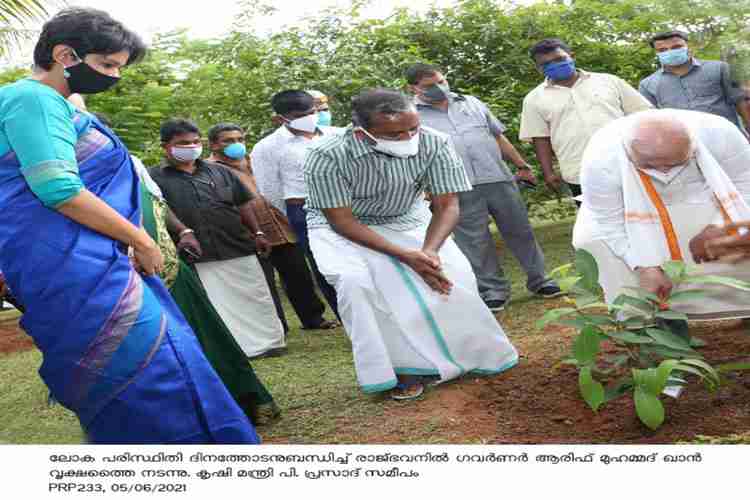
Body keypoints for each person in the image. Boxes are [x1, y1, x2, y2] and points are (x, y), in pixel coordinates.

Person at [0, 8, 259, 443]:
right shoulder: (34, 99)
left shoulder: (54, 103)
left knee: (164, 362)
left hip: (91, 257)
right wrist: (141, 239)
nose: (114, 76)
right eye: (106, 65)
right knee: (145, 374)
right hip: (73, 263)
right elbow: (58, 189)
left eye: (119, 67)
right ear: (65, 54)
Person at [303, 88, 518, 400]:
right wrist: (405, 257)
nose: (407, 138)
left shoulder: (434, 141)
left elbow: (448, 205)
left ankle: (475, 352)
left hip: (408, 216)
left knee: (454, 273)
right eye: (394, 133)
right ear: (362, 133)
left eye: (412, 128)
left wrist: (428, 252)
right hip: (340, 228)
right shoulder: (326, 153)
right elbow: (342, 221)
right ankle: (402, 368)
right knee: (358, 284)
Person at [407, 63, 561, 311]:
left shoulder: (471, 102)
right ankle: (493, 290)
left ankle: (541, 280)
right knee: (475, 241)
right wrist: (426, 189)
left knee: (521, 232)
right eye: (429, 86)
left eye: (441, 81)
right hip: (453, 187)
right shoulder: (410, 115)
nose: (439, 88)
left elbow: (497, 136)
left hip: (497, 177)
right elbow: (412, 154)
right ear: (413, 88)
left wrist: (521, 165)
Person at [573, 109, 750, 320]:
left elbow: (746, 186)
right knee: (590, 240)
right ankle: (644, 322)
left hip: (707, 197)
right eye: (649, 165)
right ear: (628, 151)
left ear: (693, 146)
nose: (664, 172)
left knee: (740, 235)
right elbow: (608, 220)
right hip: (627, 207)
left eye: (674, 163)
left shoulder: (720, 133)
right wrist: (643, 266)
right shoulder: (601, 155)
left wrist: (719, 228)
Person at [149, 119, 286, 359]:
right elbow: (160, 208)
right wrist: (184, 232)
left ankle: (270, 343)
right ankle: (238, 348)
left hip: (236, 243)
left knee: (255, 294)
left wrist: (258, 233)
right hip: (198, 252)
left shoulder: (220, 171)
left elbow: (243, 203)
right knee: (216, 302)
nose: (191, 147)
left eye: (194, 142)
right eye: (183, 143)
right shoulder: (154, 178)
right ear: (166, 146)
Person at [207, 121, 338, 329]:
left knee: (299, 275)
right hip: (248, 232)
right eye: (228, 141)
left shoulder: (254, 160)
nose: (237, 144)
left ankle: (313, 318)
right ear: (214, 145)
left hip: (280, 227)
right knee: (263, 282)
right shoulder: (211, 170)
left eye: (240, 139)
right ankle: (278, 326)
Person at [520, 38, 652, 201]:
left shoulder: (609, 81)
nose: (554, 65)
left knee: (646, 215)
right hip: (579, 172)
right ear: (538, 69)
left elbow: (643, 116)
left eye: (559, 59)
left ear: (572, 56)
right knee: (599, 223)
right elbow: (540, 138)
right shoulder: (533, 99)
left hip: (628, 163)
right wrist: (548, 173)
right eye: (546, 64)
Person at [251, 91, 342, 319]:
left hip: (349, 205)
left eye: (312, 112)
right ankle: (349, 319)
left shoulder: (337, 135)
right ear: (282, 118)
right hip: (305, 210)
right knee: (326, 266)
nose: (310, 118)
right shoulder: (267, 147)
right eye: (301, 115)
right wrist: (295, 215)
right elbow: (269, 190)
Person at [639, 31, 750, 135]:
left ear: (689, 47)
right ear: (656, 53)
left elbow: (740, 100)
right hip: (686, 145)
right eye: (662, 50)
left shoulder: (720, 68)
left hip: (729, 136)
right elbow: (651, 120)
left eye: (676, 47)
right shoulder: (647, 85)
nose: (670, 52)